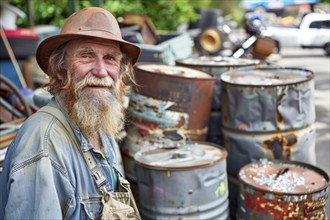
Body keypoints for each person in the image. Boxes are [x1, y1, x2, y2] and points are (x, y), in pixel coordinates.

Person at [0, 7, 141, 219]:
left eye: (110, 58)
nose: (101, 71)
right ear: (59, 68)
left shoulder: (101, 123)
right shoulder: (44, 144)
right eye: (86, 56)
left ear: (120, 70)